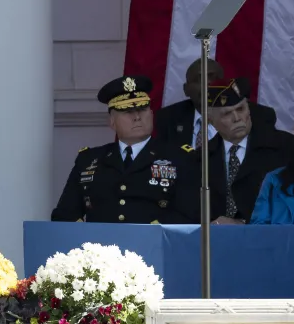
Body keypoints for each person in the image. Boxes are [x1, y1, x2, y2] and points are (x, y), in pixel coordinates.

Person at [52, 76, 196, 223]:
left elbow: (191, 213)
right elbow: (64, 215)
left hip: (156, 243)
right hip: (100, 244)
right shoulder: (89, 160)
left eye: (143, 109)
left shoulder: (179, 157)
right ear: (112, 122)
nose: (137, 117)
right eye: (127, 111)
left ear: (152, 114)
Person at [195, 79, 293, 225]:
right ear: (210, 120)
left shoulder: (285, 147)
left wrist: (243, 224)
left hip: (270, 238)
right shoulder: (201, 158)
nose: (237, 118)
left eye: (241, 109)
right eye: (227, 113)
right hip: (218, 241)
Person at [155, 57, 224, 146]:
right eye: (199, 80)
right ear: (186, 89)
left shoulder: (243, 115)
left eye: (213, 78)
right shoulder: (167, 118)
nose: (207, 84)